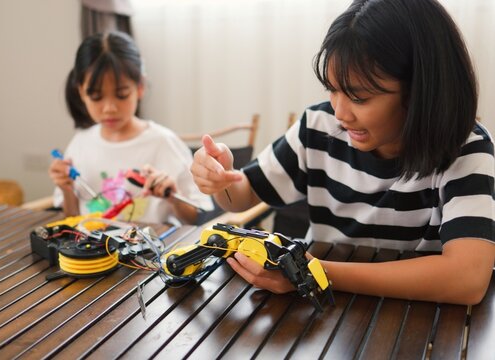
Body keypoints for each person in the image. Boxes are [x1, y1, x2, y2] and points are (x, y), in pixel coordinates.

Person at [190, 0, 495, 305]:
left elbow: (467, 278)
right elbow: (244, 195)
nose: (340, 113)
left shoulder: (465, 150)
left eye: (359, 97)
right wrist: (222, 179)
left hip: (418, 316)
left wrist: (312, 272)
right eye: (332, 90)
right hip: (325, 309)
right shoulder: (318, 128)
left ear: (421, 89)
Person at [49, 31, 212, 225]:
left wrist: (172, 196)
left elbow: (196, 218)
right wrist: (66, 188)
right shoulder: (81, 142)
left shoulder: (163, 142)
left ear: (140, 87)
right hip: (92, 250)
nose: (109, 108)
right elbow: (72, 219)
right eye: (96, 97)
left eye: (121, 94)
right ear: (81, 93)